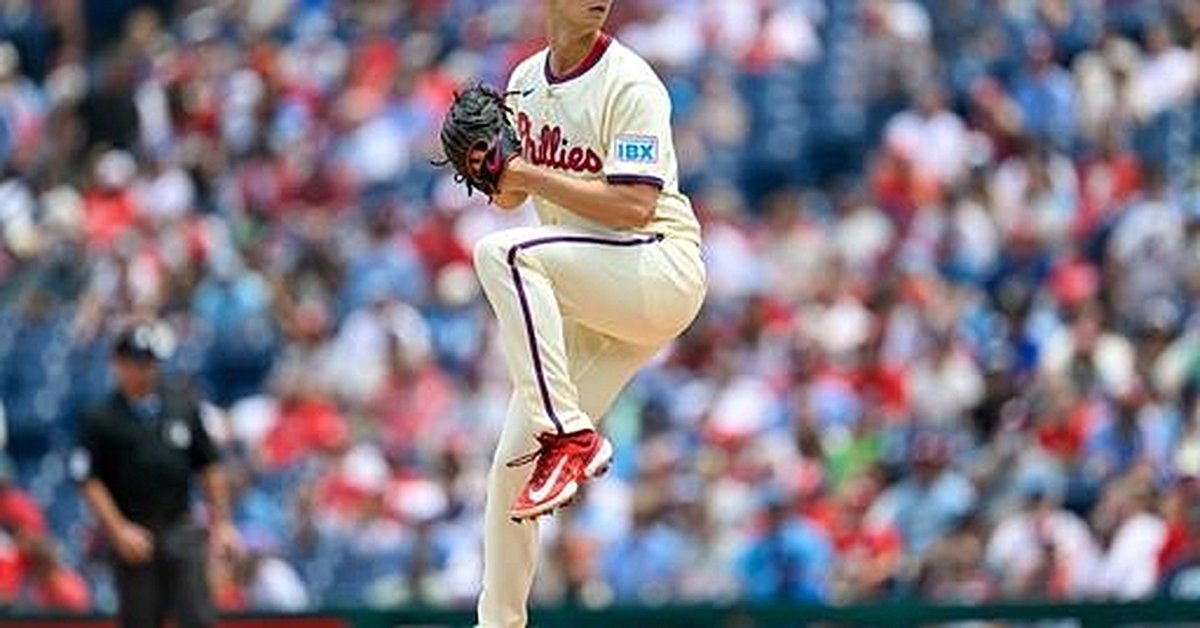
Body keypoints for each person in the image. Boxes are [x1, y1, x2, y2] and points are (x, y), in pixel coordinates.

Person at [468, 0, 706, 624]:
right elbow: (510, 193)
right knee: (511, 468)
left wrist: (526, 173)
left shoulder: (630, 82)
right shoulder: (524, 80)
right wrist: (491, 171)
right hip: (593, 296)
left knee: (503, 255)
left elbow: (632, 206)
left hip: (656, 266)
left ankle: (569, 434)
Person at [71, 321, 239, 628]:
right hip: (135, 530)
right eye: (137, 361)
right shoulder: (101, 418)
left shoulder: (181, 408)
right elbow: (88, 479)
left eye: (150, 361)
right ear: (118, 363)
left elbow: (209, 466)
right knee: (140, 620)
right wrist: (118, 529)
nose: (145, 369)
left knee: (198, 617)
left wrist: (223, 522)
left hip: (180, 525)